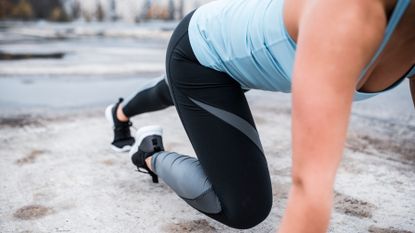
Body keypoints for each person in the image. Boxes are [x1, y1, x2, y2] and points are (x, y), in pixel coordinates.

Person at [106, 0, 415, 231]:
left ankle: (121, 112)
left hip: (237, 58)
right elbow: (310, 193)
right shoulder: (349, 13)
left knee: (177, 89)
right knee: (244, 208)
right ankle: (146, 153)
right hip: (200, 50)